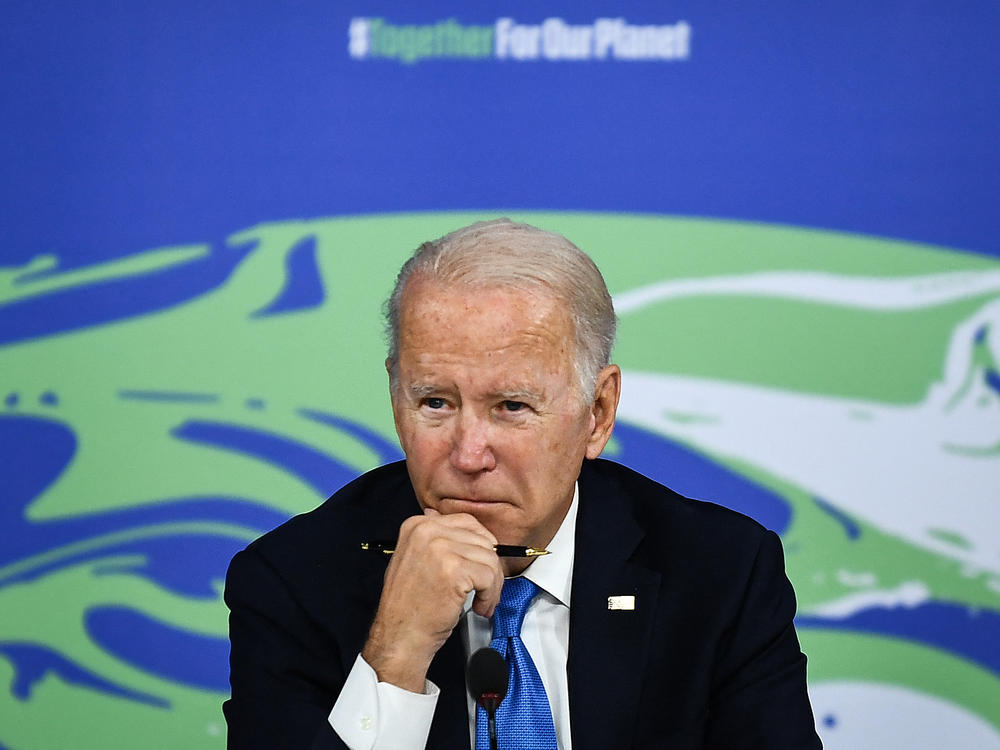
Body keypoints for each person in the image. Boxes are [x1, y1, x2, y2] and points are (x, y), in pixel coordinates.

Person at [224, 218, 822, 749]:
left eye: (511, 406)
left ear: (598, 412)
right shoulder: (293, 581)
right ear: (394, 393)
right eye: (434, 401)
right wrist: (394, 658)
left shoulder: (719, 572)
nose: (467, 453)